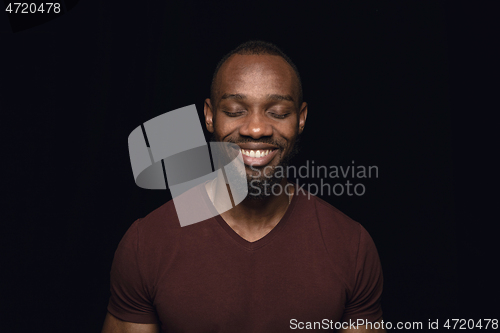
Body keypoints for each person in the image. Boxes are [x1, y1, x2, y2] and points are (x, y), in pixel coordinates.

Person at [102, 40, 386, 333]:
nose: (256, 129)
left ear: (301, 119)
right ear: (209, 115)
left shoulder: (351, 246)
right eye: (236, 110)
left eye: (277, 112)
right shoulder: (146, 243)